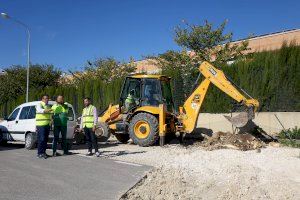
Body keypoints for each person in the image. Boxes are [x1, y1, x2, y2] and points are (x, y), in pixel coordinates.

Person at [35, 94, 52, 159]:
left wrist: (51, 122)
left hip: (47, 125)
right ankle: (39, 153)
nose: (46, 100)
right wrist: (49, 110)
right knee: (41, 139)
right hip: (40, 125)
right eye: (45, 98)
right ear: (42, 99)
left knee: (45, 139)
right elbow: (40, 110)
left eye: (47, 98)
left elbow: (49, 115)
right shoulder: (39, 104)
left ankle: (43, 153)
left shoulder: (48, 106)